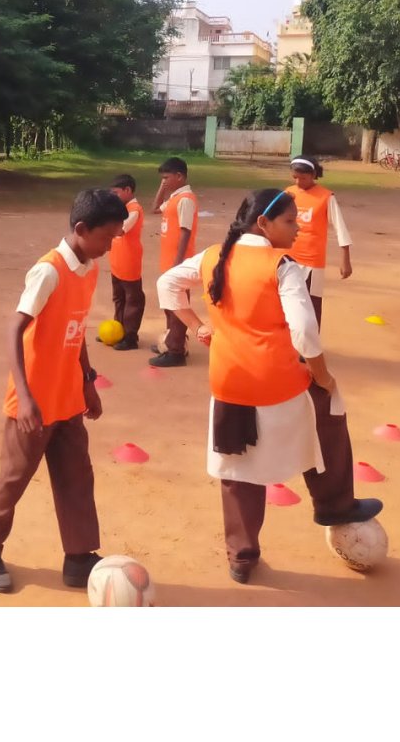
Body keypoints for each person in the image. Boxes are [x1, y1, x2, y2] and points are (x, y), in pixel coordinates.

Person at [157, 187, 383, 584]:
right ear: (263, 223)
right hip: (277, 385)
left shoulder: (213, 256)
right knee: (329, 410)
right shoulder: (282, 266)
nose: (298, 229)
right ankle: (335, 505)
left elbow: (167, 284)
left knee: (236, 469)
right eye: (290, 221)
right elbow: (305, 331)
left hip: (228, 386)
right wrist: (323, 375)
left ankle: (241, 557)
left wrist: (198, 326)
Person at [0, 188, 128, 594]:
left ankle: (78, 558)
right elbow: (14, 328)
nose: (110, 246)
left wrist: (88, 381)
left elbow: (76, 329)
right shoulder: (49, 271)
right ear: (82, 229)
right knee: (14, 477)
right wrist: (24, 397)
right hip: (34, 403)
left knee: (77, 476)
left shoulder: (89, 268)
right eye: (106, 237)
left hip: (68, 397)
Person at [285, 156, 353, 327]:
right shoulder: (288, 193)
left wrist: (345, 259)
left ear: (314, 175)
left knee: (312, 305)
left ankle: (311, 342)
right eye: (295, 177)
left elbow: (340, 227)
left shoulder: (326, 197)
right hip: (288, 257)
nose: (298, 182)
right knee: (286, 302)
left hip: (312, 262)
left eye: (303, 178)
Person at [149, 156, 198, 367]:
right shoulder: (174, 197)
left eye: (167, 178)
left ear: (179, 176)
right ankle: (172, 341)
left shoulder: (186, 199)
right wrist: (162, 187)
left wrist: (178, 263)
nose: (164, 181)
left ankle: (176, 350)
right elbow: (154, 208)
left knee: (178, 306)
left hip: (178, 262)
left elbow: (186, 232)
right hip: (169, 261)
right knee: (170, 305)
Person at [108, 173, 144, 350]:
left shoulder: (134, 210)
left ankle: (130, 337)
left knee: (132, 299)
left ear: (128, 190)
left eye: (116, 193)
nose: (114, 196)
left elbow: (120, 230)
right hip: (117, 260)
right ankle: (118, 330)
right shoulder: (122, 208)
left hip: (129, 261)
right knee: (119, 297)